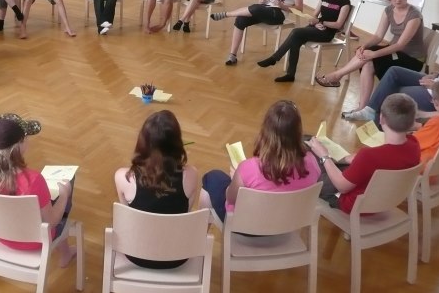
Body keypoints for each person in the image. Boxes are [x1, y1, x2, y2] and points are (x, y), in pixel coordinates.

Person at [343, 7, 439, 122]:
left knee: (396, 91)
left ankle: (381, 123)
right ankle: (370, 112)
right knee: (394, 71)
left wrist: (435, 86)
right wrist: (437, 75)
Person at [0, 113, 77, 267]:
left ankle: (65, 253)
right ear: (19, 145)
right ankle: (65, 254)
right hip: (32, 240)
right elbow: (52, 222)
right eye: (26, 138)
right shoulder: (33, 180)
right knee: (63, 194)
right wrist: (65, 194)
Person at [199, 100, 321, 224]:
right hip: (286, 225)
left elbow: (230, 198)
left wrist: (234, 179)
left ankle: (200, 236)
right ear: (298, 132)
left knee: (211, 178)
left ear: (266, 131)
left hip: (246, 228)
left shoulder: (249, 168)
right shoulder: (312, 162)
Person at [316, 0, 425, 103]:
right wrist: (364, 46)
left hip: (412, 59)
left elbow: (400, 45)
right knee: (367, 60)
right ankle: (363, 106)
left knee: (371, 56)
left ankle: (337, 76)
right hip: (396, 52)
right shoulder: (389, 10)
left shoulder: (414, 15)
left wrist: (373, 54)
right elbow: (378, 36)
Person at [113, 110, 198, 269]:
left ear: (142, 142)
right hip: (177, 255)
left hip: (137, 255)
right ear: (178, 143)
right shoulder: (191, 175)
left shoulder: (123, 177)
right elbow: (185, 211)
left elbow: (127, 220)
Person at [309, 93, 421, 212]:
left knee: (311, 172)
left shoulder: (369, 156)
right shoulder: (414, 144)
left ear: (381, 118)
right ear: (412, 123)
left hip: (355, 206)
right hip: (386, 200)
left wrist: (324, 156)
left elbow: (342, 187)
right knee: (332, 163)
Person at [256, 0, 352, 82]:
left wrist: (321, 22)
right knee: (296, 39)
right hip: (316, 27)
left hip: (327, 33)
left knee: (296, 32)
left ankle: (275, 58)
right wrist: (316, 22)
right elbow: (315, 15)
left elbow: (338, 24)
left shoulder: (345, 2)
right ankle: (290, 74)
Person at [211, 0, 304, 65]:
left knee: (256, 8)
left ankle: (227, 14)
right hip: (265, 9)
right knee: (241, 19)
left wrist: (282, 6)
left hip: (278, 14)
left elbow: (299, 9)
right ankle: (232, 55)